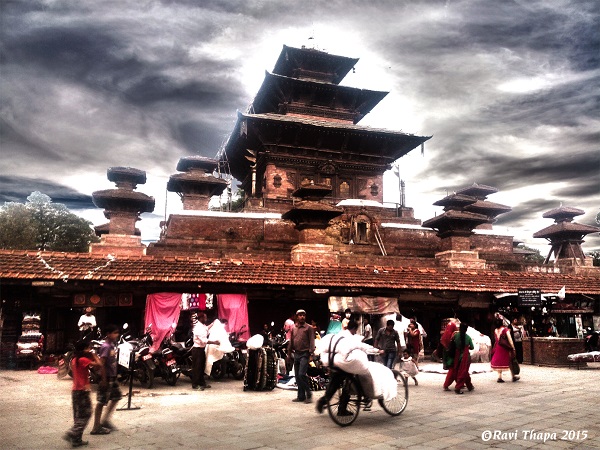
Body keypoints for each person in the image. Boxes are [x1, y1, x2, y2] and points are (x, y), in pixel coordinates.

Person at [315, 320, 383, 415]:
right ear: (354, 329)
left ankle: (323, 400)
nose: (355, 333)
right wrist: (377, 351)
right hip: (343, 363)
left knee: (335, 382)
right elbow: (362, 346)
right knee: (349, 383)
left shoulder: (340, 334)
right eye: (355, 331)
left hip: (332, 362)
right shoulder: (351, 338)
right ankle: (342, 409)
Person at [63, 340, 102, 447]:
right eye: (88, 348)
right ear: (84, 349)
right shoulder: (83, 359)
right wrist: (94, 355)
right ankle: (73, 432)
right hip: (82, 390)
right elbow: (99, 365)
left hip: (75, 390)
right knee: (86, 413)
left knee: (77, 415)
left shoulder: (74, 359)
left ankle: (77, 440)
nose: (89, 350)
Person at [90, 324, 121, 435]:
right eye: (114, 332)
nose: (117, 335)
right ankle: (96, 427)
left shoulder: (112, 345)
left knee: (116, 397)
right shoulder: (106, 346)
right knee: (101, 401)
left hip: (112, 378)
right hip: (106, 378)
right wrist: (103, 379)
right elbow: (102, 364)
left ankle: (105, 420)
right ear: (108, 334)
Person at [287, 309, 315, 403]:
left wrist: (311, 354)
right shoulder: (294, 328)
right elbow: (291, 341)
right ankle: (301, 396)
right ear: (297, 317)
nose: (302, 317)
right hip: (296, 354)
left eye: (303, 315)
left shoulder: (309, 328)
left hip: (305, 353)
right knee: (297, 376)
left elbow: (312, 341)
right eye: (300, 315)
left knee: (301, 374)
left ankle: (308, 393)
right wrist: (288, 353)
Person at [191, 311, 220, 391]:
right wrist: (214, 342)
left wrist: (213, 324)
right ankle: (195, 384)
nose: (206, 319)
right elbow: (203, 340)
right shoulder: (198, 328)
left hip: (201, 350)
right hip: (197, 350)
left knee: (201, 367)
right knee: (197, 368)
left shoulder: (202, 326)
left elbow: (206, 329)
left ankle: (201, 382)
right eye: (205, 317)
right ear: (201, 318)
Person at [490, 317, 519, 383]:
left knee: (499, 361)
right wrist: (513, 347)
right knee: (510, 360)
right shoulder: (505, 330)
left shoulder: (495, 330)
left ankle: (499, 377)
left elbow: (496, 339)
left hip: (498, 347)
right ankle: (513, 376)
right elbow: (510, 339)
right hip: (505, 347)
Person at [453, 322, 475, 394]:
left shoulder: (455, 336)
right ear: (466, 329)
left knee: (463, 371)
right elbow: (472, 347)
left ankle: (470, 386)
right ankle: (458, 387)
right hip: (465, 357)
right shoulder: (468, 337)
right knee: (464, 371)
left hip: (457, 356)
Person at [441, 321, 458, 391]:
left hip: (448, 353)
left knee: (457, 369)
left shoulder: (445, 335)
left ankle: (460, 383)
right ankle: (446, 385)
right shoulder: (454, 335)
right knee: (453, 369)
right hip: (453, 355)